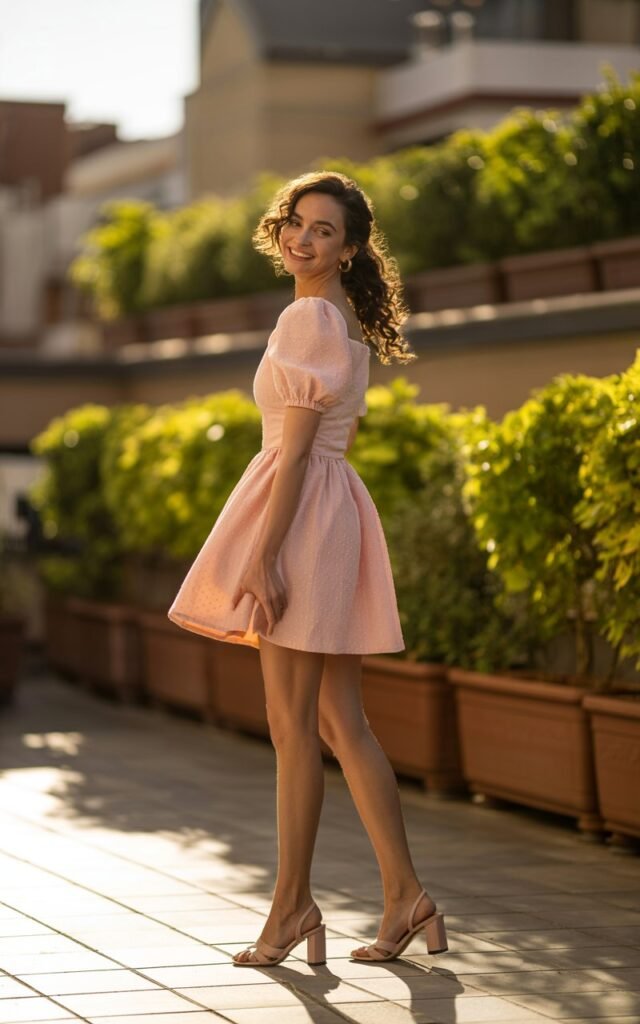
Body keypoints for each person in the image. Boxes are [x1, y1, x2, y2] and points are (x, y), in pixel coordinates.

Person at [168, 170, 448, 967]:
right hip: (330, 513)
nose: (302, 236)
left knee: (296, 730)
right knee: (337, 724)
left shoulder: (308, 319)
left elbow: (291, 457)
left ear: (350, 248)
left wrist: (263, 556)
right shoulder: (338, 320)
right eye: (296, 221)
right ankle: (406, 897)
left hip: (299, 518)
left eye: (323, 229)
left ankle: (292, 908)